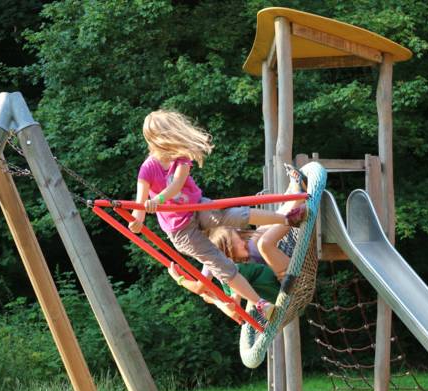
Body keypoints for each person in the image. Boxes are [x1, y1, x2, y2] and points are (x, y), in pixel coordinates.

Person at [130, 109, 307, 320]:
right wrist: (137, 221)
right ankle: (261, 305)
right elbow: (139, 205)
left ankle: (287, 218)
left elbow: (177, 185)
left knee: (232, 214)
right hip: (180, 230)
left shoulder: (181, 158)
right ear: (157, 140)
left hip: (195, 208)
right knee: (220, 264)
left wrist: (158, 200)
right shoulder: (148, 169)